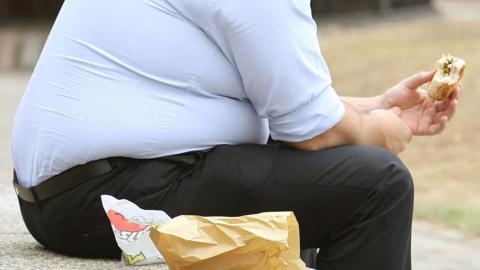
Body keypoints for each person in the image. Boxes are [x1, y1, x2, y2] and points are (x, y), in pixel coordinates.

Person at [11, 0, 459, 269]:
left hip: (67, 194)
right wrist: (380, 132)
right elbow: (311, 131)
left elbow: (290, 108)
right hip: (111, 200)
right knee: (376, 183)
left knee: (324, 176)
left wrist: (374, 108)